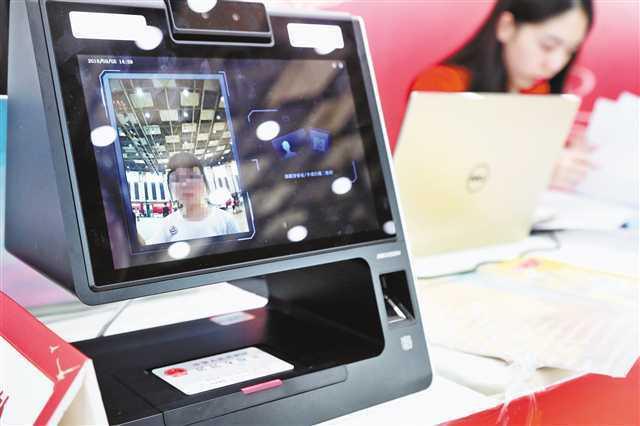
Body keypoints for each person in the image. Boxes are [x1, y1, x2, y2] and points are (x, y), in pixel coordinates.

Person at [411, 0, 595, 191]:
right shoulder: (442, 85)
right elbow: (435, 173)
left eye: (570, 52)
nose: (556, 65)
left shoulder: (539, 93)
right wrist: (535, 171)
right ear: (506, 26)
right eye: (547, 46)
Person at [146, 153, 240, 244]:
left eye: (192, 176)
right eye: (177, 179)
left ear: (203, 181)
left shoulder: (225, 220)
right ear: (170, 187)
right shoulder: (167, 224)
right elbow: (148, 250)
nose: (184, 184)